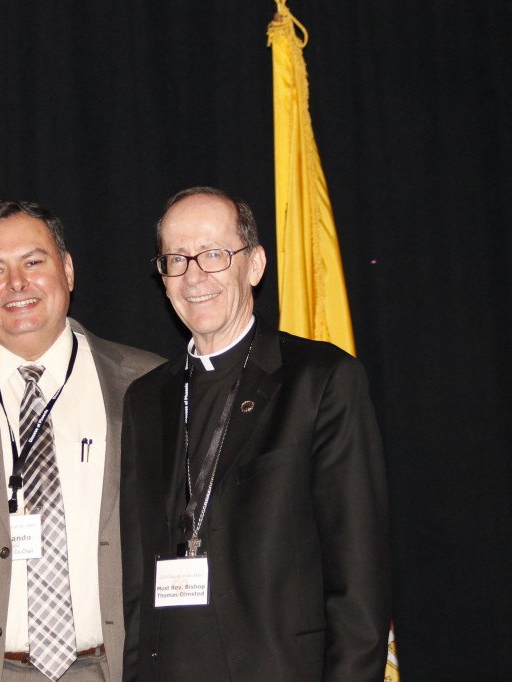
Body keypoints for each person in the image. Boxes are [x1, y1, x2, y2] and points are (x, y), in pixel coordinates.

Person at [120, 187, 391, 681]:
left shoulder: (320, 379)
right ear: (162, 277)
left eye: (215, 254)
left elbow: (359, 582)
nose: (194, 275)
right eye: (176, 258)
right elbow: (139, 583)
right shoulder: (145, 398)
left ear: (255, 265)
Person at [0, 200, 163, 681]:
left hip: (111, 665)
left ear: (68, 270)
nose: (16, 284)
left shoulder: (148, 382)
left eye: (34, 262)